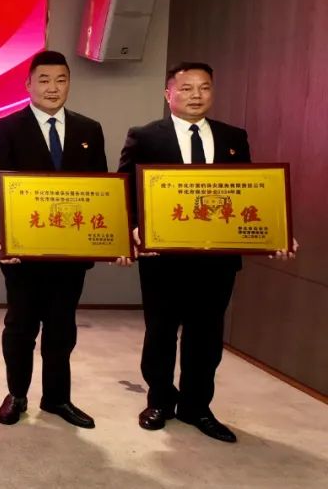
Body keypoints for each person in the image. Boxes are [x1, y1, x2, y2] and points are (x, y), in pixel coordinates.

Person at [118, 61, 296, 443]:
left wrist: (277, 234)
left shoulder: (234, 136)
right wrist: (132, 230)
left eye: (204, 88)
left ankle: (197, 406)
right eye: (186, 88)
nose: (196, 95)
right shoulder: (145, 136)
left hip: (217, 261)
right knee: (161, 333)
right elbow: (125, 190)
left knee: (207, 337)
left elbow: (249, 191)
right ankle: (159, 401)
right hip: (162, 260)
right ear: (169, 93)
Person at [0, 50, 109, 429]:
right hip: (22, 251)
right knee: (20, 326)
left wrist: (109, 239)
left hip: (71, 251)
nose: (53, 88)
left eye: (61, 80)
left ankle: (57, 398)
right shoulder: (5, 128)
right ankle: (16, 395)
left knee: (62, 327)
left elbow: (101, 190)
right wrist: (0, 238)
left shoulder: (90, 129)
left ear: (69, 83)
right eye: (44, 80)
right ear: (28, 85)